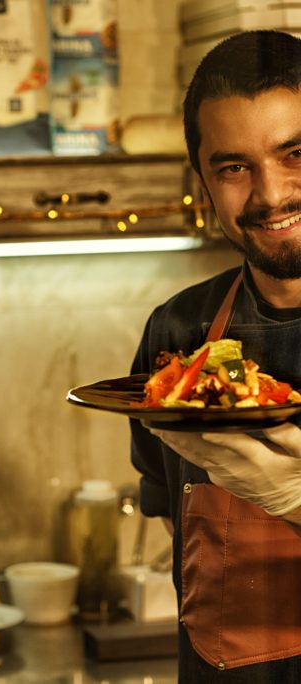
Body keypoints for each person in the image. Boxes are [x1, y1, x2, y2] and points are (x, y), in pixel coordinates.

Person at [130, 30, 301, 682]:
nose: (271, 194)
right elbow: (170, 520)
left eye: (295, 153)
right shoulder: (179, 332)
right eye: (234, 167)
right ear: (202, 180)